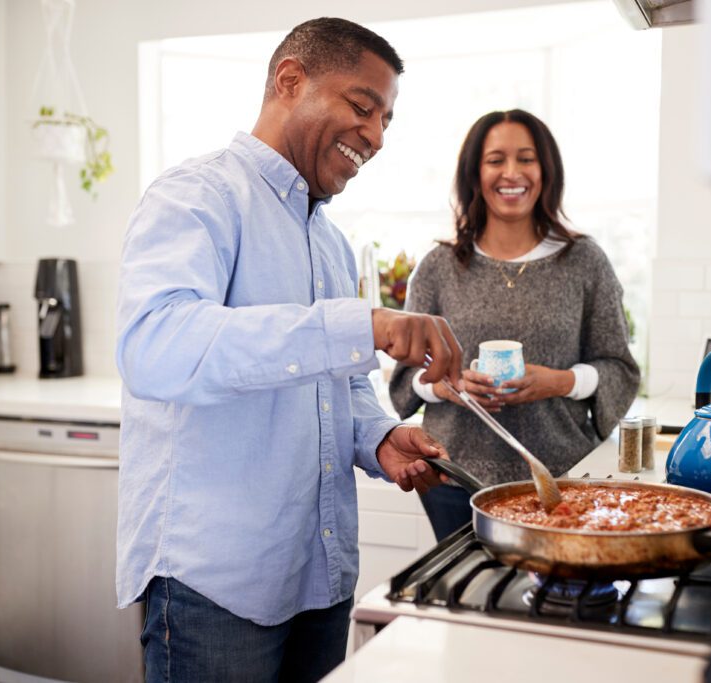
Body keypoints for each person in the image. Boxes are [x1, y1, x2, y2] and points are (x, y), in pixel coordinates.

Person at [115, 18, 463, 682]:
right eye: (363, 107)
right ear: (290, 80)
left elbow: (337, 384)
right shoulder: (197, 197)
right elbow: (156, 346)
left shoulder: (327, 240)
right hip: (217, 588)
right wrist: (362, 325)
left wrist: (381, 436)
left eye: (386, 120)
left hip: (319, 576)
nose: (377, 136)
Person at [389, 109, 640, 541]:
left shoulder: (584, 262)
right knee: (466, 599)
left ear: (546, 171)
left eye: (526, 158)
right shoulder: (438, 268)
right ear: (474, 173)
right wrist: (451, 386)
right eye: (495, 160)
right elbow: (405, 381)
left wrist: (559, 381)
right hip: (455, 480)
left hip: (561, 478)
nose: (511, 173)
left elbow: (619, 367)